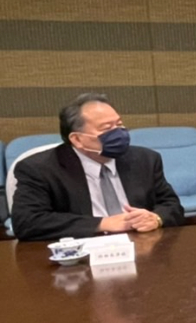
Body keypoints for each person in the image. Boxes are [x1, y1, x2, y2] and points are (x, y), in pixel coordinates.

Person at [11, 92, 184, 242]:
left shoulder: (145, 159)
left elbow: (172, 205)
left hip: (140, 246)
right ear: (77, 139)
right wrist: (102, 223)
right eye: (107, 128)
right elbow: (28, 223)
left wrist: (156, 218)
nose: (118, 133)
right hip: (82, 251)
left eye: (119, 124)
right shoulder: (39, 169)